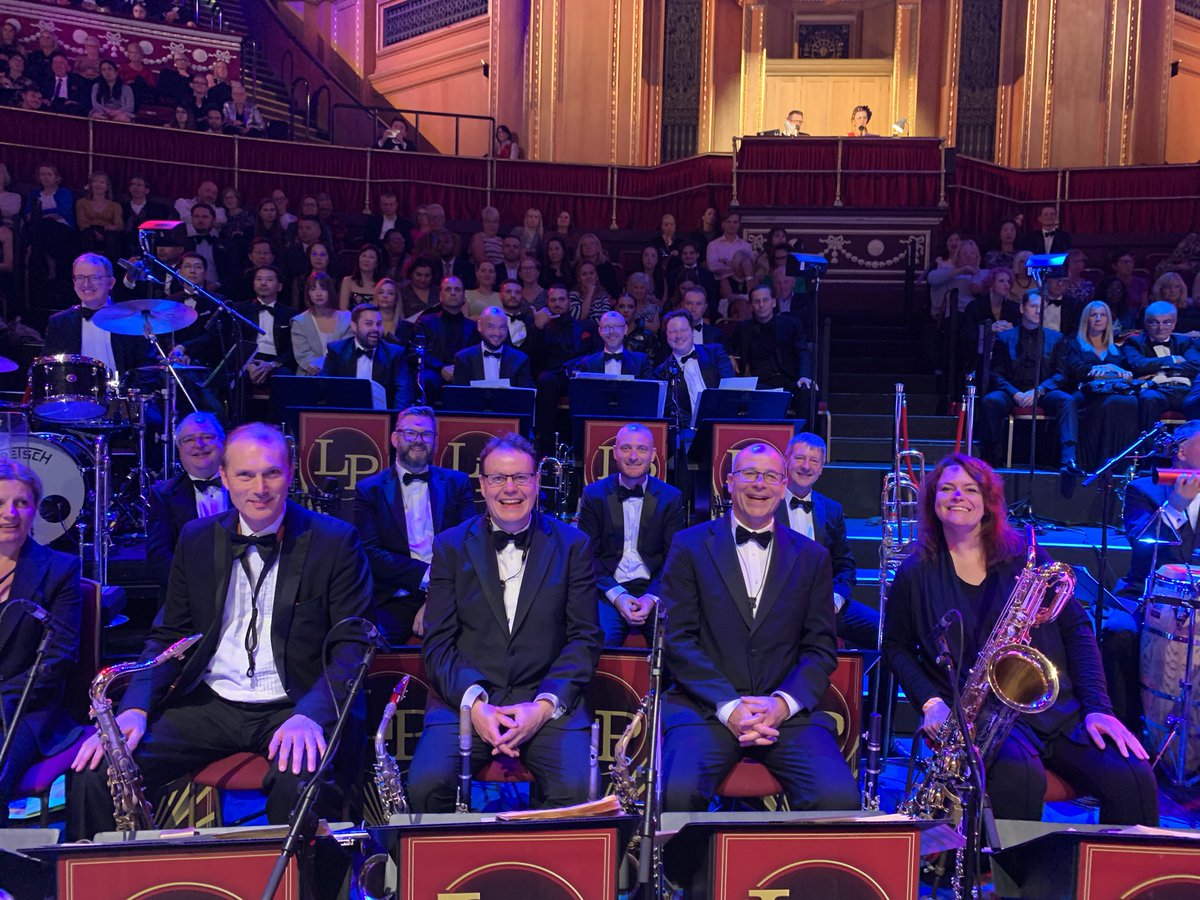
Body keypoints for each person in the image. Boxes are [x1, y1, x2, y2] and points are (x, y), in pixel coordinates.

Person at [68, 423, 375, 838]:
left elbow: (352, 645)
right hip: (210, 703)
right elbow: (168, 635)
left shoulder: (334, 541)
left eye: (272, 473)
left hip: (293, 703)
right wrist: (135, 707)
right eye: (246, 475)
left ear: (290, 475)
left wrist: (311, 715)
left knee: (301, 789)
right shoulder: (196, 539)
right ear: (225, 478)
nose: (260, 488)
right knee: (99, 773)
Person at [882, 453, 1158, 825]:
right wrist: (930, 701)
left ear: (988, 502)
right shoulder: (915, 572)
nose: (957, 497)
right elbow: (895, 646)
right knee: (1018, 778)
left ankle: (1119, 880)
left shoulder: (1025, 557)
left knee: (1133, 774)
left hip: (1054, 708)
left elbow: (1076, 630)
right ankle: (1016, 881)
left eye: (970, 489)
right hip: (983, 717)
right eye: (946, 488)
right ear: (933, 500)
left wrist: (1098, 708)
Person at [407, 433, 602, 811]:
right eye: (498, 478)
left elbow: (584, 639)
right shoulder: (449, 545)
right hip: (466, 701)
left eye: (521, 478)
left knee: (577, 792)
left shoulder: (573, 545)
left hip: (545, 699)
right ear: (482, 484)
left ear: (536, 482)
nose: (509, 489)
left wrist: (543, 705)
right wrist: (476, 705)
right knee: (426, 787)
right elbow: (438, 644)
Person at [659, 442, 858, 811]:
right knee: (677, 794)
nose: (759, 484)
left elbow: (820, 649)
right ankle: (691, 871)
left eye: (770, 476)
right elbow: (678, 640)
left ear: (783, 487)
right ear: (729, 482)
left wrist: (782, 704)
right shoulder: (688, 546)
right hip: (705, 708)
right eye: (749, 474)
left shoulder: (813, 556)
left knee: (839, 799)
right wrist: (729, 705)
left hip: (785, 713)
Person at [0, 460, 83, 826]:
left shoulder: (59, 569)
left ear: (34, 509)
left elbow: (57, 659)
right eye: (0, 503)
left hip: (24, 710)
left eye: (21, 503)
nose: (10, 514)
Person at [354, 406, 475, 645]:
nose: (418, 441)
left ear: (436, 441)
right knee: (367, 647)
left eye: (426, 434)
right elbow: (369, 552)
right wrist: (427, 578)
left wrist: (436, 595)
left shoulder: (457, 483)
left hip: (450, 593)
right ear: (395, 438)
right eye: (410, 433)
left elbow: (469, 545)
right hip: (394, 596)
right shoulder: (370, 489)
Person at [579, 423, 685, 646]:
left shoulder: (671, 498)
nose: (634, 456)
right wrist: (617, 595)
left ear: (653, 455)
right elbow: (587, 555)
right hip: (609, 588)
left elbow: (674, 558)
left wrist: (651, 597)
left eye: (642, 449)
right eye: (626, 448)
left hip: (653, 589)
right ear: (615, 451)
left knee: (673, 644)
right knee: (602, 640)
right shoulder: (594, 495)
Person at [776, 433, 880, 650]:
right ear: (786, 460)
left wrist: (835, 600)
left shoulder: (832, 510)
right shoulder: (768, 504)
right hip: (777, 606)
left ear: (821, 468)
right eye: (799, 458)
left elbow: (846, 566)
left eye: (814, 461)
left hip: (823, 606)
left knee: (885, 633)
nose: (806, 466)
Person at [977, 291, 1079, 472]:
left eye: (1042, 307)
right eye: (1033, 306)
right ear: (1022, 308)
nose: (1038, 311)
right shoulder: (1005, 338)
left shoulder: (1056, 338)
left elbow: (1061, 375)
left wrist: (1039, 391)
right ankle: (994, 460)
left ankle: (1068, 460)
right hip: (1013, 391)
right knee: (991, 401)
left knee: (1067, 400)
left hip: (1042, 392)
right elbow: (996, 374)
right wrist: (1015, 393)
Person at [145, 413, 229, 587]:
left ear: (223, 444)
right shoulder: (163, 495)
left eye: (207, 437)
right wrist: (196, 590)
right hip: (187, 598)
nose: (199, 445)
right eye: (189, 439)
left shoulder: (244, 486)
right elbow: (159, 557)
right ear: (179, 450)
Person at [1057, 301, 1138, 470]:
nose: (1098, 319)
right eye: (1094, 315)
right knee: (1109, 403)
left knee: (1129, 402)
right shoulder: (1073, 343)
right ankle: (1093, 460)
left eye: (1103, 315)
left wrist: (1111, 368)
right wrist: (1102, 369)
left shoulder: (1116, 348)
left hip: (1111, 394)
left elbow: (1128, 373)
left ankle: (1118, 461)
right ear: (1086, 319)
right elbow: (1075, 370)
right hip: (1085, 394)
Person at [45, 253, 148, 376]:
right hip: (76, 393)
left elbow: (147, 369)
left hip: (123, 394)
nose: (86, 284)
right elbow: (48, 370)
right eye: (80, 277)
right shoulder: (60, 323)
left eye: (95, 278)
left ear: (111, 283)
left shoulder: (132, 320)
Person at [728, 284, 813, 409]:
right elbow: (725, 344)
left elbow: (802, 351)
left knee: (808, 392)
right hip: (757, 383)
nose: (761, 305)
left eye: (765, 300)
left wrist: (804, 375)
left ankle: (803, 429)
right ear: (751, 306)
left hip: (787, 381)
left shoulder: (791, 324)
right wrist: (729, 354)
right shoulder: (743, 328)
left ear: (773, 302)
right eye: (757, 301)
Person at [1121, 300, 1200, 429]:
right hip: (1157, 390)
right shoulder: (1134, 342)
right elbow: (1138, 364)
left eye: (1166, 322)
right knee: (1149, 398)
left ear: (1174, 324)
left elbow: (1196, 365)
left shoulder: (1185, 342)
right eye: (1154, 322)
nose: (1160, 328)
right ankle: (1149, 447)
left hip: (1186, 391)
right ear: (1146, 323)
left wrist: (1164, 371)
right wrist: (1172, 359)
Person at [320, 303, 412, 409]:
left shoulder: (395, 354)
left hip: (382, 416)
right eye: (369, 324)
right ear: (354, 326)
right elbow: (325, 388)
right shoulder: (337, 351)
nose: (375, 329)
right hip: (345, 415)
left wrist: (394, 419)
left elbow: (403, 393)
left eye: (378, 324)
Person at [653, 309, 735, 426]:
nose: (678, 336)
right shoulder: (661, 372)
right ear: (666, 335)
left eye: (683, 330)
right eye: (673, 331)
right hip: (688, 432)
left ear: (692, 331)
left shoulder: (716, 353)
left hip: (723, 423)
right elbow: (673, 412)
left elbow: (729, 389)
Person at [416, 276, 474, 403]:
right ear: (440, 296)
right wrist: (441, 368)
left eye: (457, 289)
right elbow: (417, 352)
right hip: (435, 371)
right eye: (448, 289)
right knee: (427, 379)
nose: (453, 293)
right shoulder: (425, 321)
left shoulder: (473, 327)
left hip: (464, 373)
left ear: (464, 296)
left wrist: (458, 370)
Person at [452, 306, 535, 387]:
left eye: (502, 327)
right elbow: (459, 397)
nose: (497, 333)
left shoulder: (520, 360)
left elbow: (526, 397)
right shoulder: (463, 359)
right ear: (480, 326)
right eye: (491, 327)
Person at [573, 310, 652, 377]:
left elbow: (650, 392)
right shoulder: (587, 364)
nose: (611, 332)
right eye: (606, 327)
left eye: (616, 326)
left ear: (625, 330)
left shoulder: (641, 362)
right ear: (600, 331)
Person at [704, 210, 753, 282]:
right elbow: (712, 267)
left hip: (742, 285)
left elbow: (750, 268)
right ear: (722, 224)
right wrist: (738, 267)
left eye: (735, 222)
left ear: (739, 224)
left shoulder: (746, 246)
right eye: (728, 222)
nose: (732, 225)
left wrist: (724, 263)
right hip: (720, 284)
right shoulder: (713, 245)